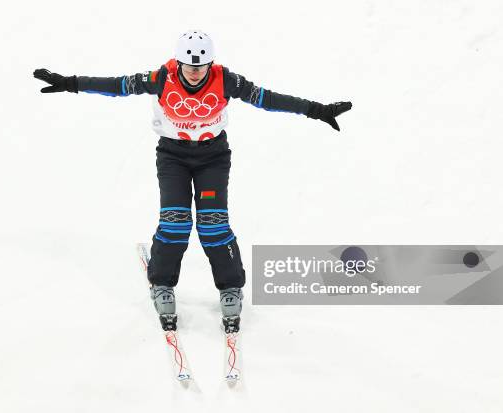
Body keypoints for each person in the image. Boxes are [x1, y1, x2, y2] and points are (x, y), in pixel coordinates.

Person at [33, 30, 352, 333]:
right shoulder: (161, 78)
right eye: (189, 65)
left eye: (201, 66)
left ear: (209, 64)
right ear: (179, 63)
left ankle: (230, 288)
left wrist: (317, 110)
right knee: (176, 222)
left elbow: (268, 99)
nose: (195, 72)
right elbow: (117, 85)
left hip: (212, 157)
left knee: (213, 224)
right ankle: (162, 283)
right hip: (173, 156)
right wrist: (69, 82)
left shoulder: (226, 80)